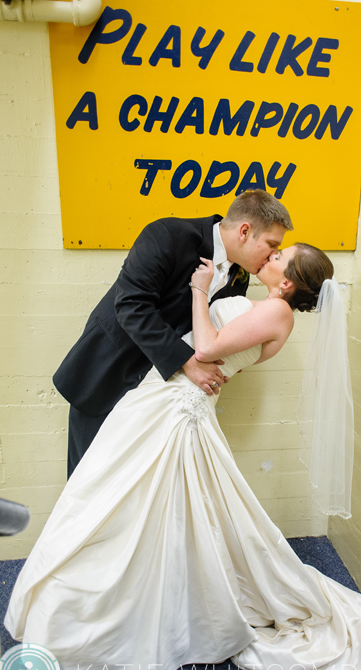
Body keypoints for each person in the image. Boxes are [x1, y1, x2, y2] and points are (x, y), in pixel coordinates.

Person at [4, 242, 361, 670]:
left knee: (130, 501)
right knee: (127, 500)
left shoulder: (276, 315)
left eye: (277, 257)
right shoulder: (263, 309)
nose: (269, 257)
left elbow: (206, 348)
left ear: (287, 282)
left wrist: (198, 290)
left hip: (173, 407)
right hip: (169, 398)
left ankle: (123, 618)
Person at [54, 190, 292, 477]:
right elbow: (131, 306)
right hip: (108, 379)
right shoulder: (168, 234)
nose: (272, 256)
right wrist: (188, 362)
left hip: (159, 404)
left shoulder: (238, 278)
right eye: (271, 244)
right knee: (89, 487)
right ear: (245, 231)